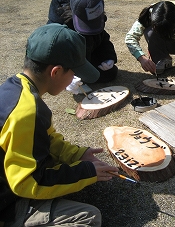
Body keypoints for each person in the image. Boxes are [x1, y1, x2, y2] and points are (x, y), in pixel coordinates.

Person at [0, 24, 119, 226]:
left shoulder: (16, 89)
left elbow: (46, 138)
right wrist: (86, 172)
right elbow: (28, 183)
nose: (75, 79)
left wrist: (77, 155)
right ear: (55, 72)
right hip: (6, 202)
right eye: (74, 72)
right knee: (88, 217)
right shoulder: (28, 112)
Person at [47, 0, 118, 86]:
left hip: (87, 56)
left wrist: (108, 57)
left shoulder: (95, 12)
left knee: (110, 73)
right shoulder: (58, 26)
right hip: (69, 62)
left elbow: (102, 38)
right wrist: (65, 75)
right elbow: (52, 54)